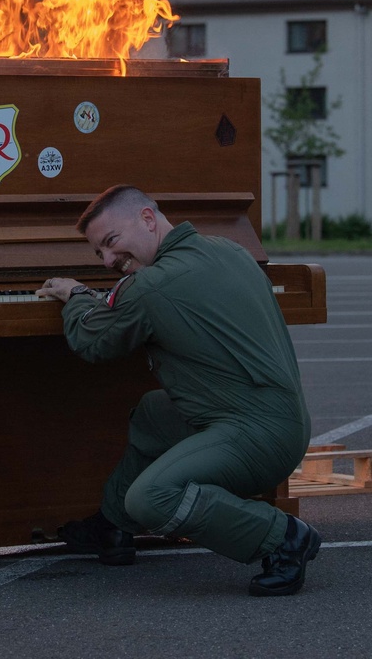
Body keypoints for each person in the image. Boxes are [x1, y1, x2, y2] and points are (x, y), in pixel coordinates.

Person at [36, 184, 320, 596]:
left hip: (257, 437)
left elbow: (91, 341)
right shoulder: (229, 249)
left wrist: (76, 293)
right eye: (100, 253)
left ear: (148, 220)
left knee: (150, 498)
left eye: (112, 242)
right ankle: (113, 527)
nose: (110, 260)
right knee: (154, 412)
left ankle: (285, 537)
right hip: (286, 421)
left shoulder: (152, 284)